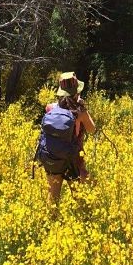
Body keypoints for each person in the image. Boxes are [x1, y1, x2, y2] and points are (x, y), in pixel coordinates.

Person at [43, 72, 95, 211]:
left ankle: (50, 224)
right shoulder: (79, 110)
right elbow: (92, 129)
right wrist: (83, 109)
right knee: (77, 194)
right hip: (73, 158)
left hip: (52, 156)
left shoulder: (50, 108)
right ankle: (80, 221)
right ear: (77, 91)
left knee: (53, 193)